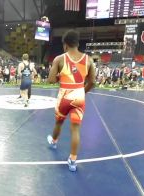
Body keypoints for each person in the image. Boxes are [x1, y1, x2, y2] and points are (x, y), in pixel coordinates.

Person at [46, 30, 96, 172]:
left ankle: (54, 141)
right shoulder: (89, 60)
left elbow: (50, 80)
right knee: (75, 129)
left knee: (59, 122)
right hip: (79, 97)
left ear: (65, 45)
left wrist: (60, 77)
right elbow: (92, 82)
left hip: (64, 97)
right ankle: (73, 160)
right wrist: (82, 92)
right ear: (78, 43)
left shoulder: (59, 59)